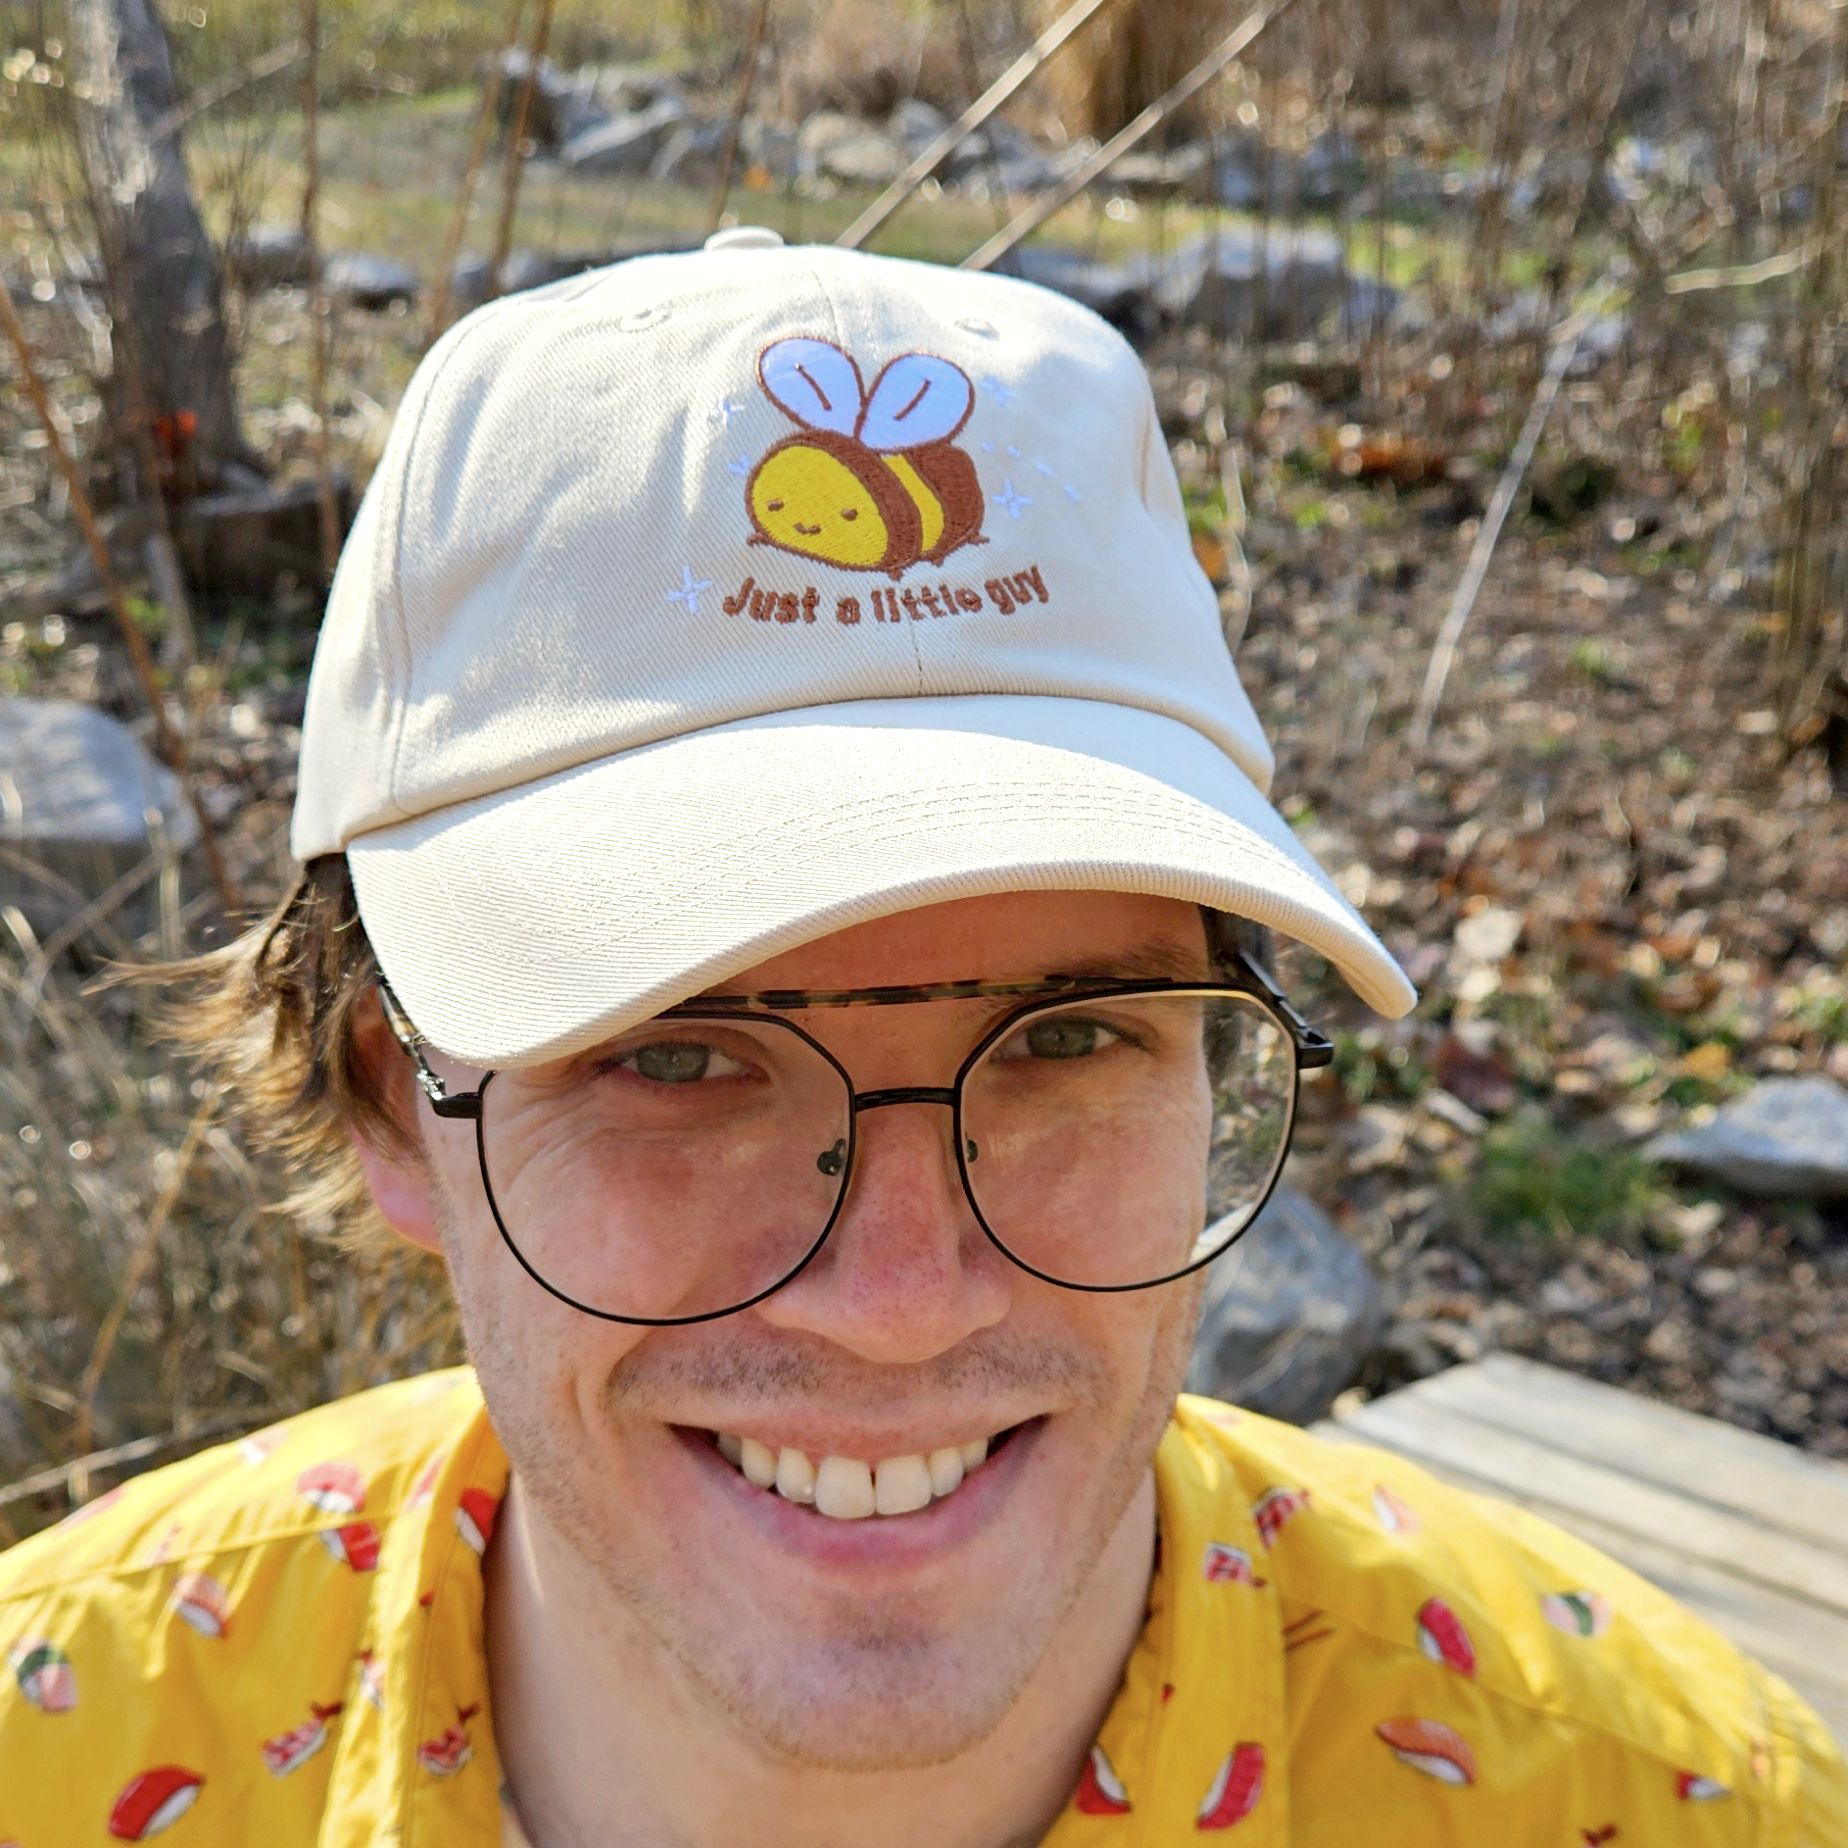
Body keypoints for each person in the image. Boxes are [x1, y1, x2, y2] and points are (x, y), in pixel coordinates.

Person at [0, 230, 1840, 1847]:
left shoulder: (1665, 1806)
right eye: (679, 1056)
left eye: (1068, 1043)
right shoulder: (59, 1749)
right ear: (392, 1101)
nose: (903, 1301)